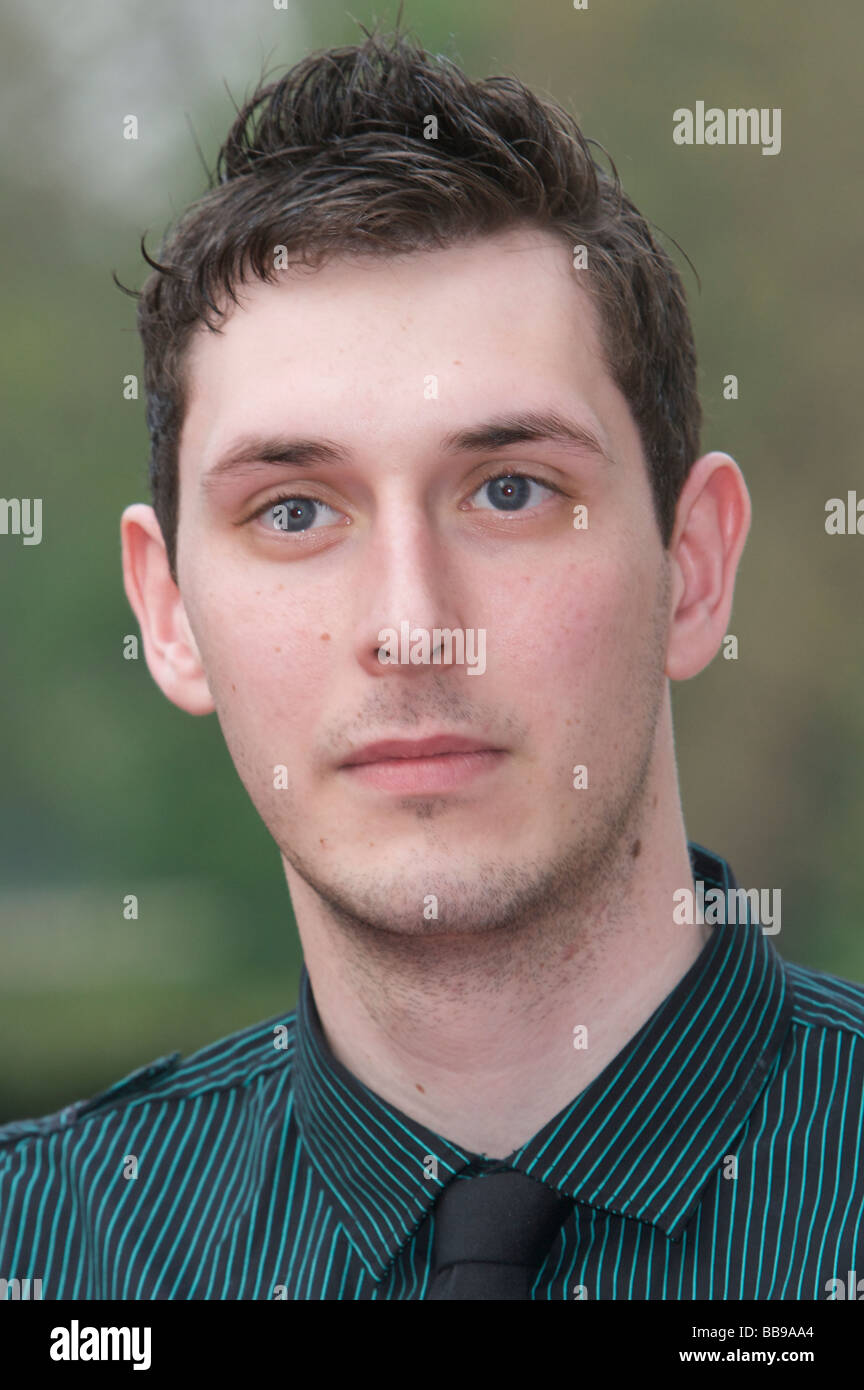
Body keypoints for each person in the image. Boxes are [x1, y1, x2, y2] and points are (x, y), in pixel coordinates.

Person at [1, 26, 862, 1302]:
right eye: (294, 511)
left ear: (694, 566)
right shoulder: (43, 1256)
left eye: (510, 490)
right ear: (168, 609)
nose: (411, 625)